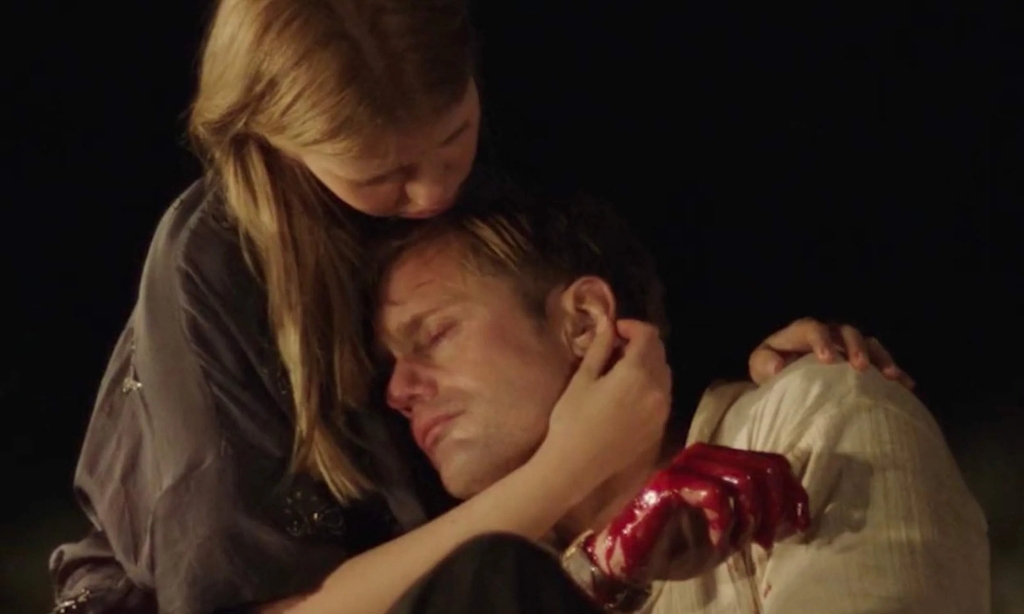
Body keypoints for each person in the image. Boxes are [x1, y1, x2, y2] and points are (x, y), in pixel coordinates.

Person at [49, 1, 914, 613]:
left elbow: (586, 285)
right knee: (492, 583)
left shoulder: (507, 144)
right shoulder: (219, 266)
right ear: (276, 141)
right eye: (381, 175)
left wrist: (756, 366)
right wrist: (564, 468)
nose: (433, 193)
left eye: (454, 134)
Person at [370, 186, 989, 613]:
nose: (399, 391)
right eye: (391, 366)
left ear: (584, 321)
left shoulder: (808, 419)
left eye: (436, 335)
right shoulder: (514, 582)